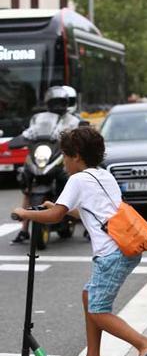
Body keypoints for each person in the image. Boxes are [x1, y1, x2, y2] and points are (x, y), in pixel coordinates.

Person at [13, 126, 147, 356]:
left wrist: (25, 213)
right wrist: (60, 207)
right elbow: (95, 212)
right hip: (124, 248)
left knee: (98, 311)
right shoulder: (103, 175)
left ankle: (145, 345)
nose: (63, 162)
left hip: (111, 255)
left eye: (65, 156)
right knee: (88, 295)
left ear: (77, 156)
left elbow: (55, 216)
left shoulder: (77, 179)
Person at [11, 86, 82, 244]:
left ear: (66, 103)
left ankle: (86, 222)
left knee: (76, 182)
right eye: (54, 102)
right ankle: (24, 229)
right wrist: (19, 139)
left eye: (60, 102)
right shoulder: (40, 118)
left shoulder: (73, 120)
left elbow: (81, 135)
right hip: (43, 154)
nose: (57, 106)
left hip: (62, 155)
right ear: (48, 103)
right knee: (27, 185)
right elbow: (30, 132)